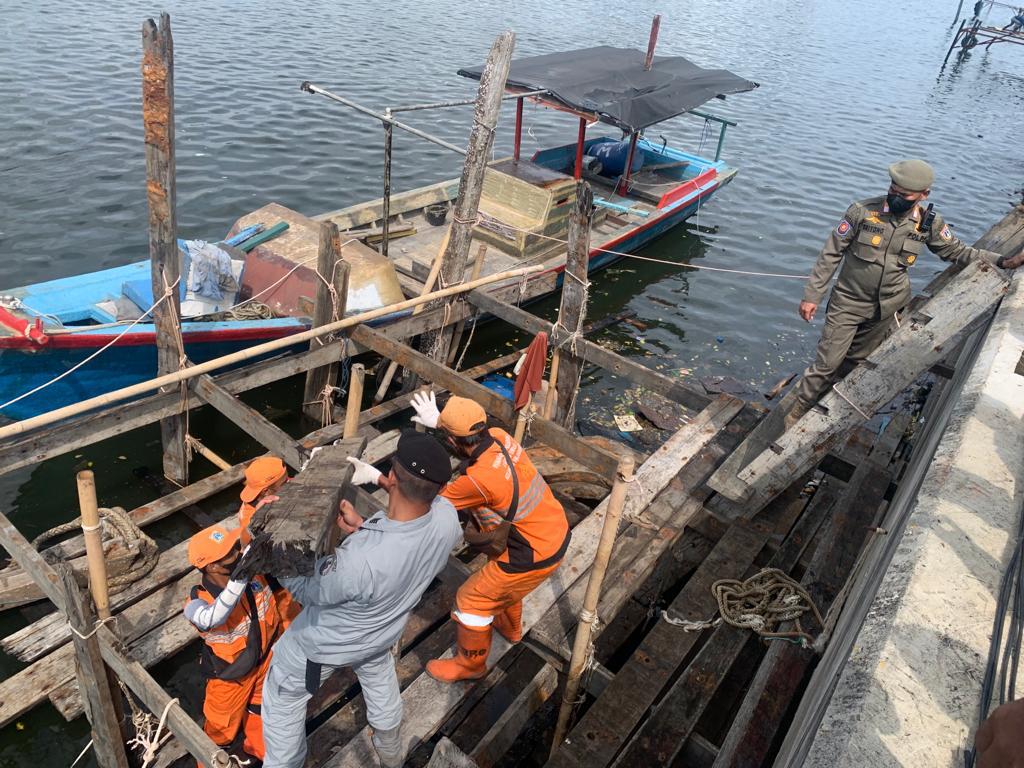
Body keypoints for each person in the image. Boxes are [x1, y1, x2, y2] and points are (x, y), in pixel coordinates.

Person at [260, 432, 460, 768]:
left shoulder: (360, 564)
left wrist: (268, 537)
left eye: (388, 474)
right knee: (381, 691)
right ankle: (391, 755)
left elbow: (305, 591)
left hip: (319, 653)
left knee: (286, 704)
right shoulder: (447, 518)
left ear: (393, 476)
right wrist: (364, 527)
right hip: (378, 636)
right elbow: (401, 545)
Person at [787, 159, 1024, 429]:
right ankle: (797, 412)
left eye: (905, 195)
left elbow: (957, 252)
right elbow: (831, 254)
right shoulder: (862, 212)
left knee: (855, 362)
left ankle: (830, 409)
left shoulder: (928, 224)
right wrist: (812, 296)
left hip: (887, 308)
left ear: (924, 195)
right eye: (893, 190)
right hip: (848, 302)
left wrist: (1004, 262)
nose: (896, 197)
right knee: (827, 363)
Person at [402, 393, 570, 684]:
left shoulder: (478, 481)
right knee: (502, 587)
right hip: (553, 528)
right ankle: (511, 629)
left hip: (532, 553)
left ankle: (471, 666)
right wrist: (439, 425)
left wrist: (384, 479)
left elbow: (434, 501)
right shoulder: (500, 435)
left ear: (452, 442)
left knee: (471, 600)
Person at [184, 523, 284, 765]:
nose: (237, 554)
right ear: (212, 566)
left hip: (265, 660)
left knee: (262, 709)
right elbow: (210, 618)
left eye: (235, 547)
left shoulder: (255, 574)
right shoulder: (196, 602)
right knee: (220, 732)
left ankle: (259, 750)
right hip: (230, 677)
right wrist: (240, 577)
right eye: (229, 553)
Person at [237, 455, 302, 626]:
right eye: (284, 483)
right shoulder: (249, 511)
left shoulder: (283, 489)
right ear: (266, 492)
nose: (290, 482)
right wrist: (257, 520)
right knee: (287, 609)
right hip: (274, 570)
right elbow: (244, 543)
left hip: (296, 556)